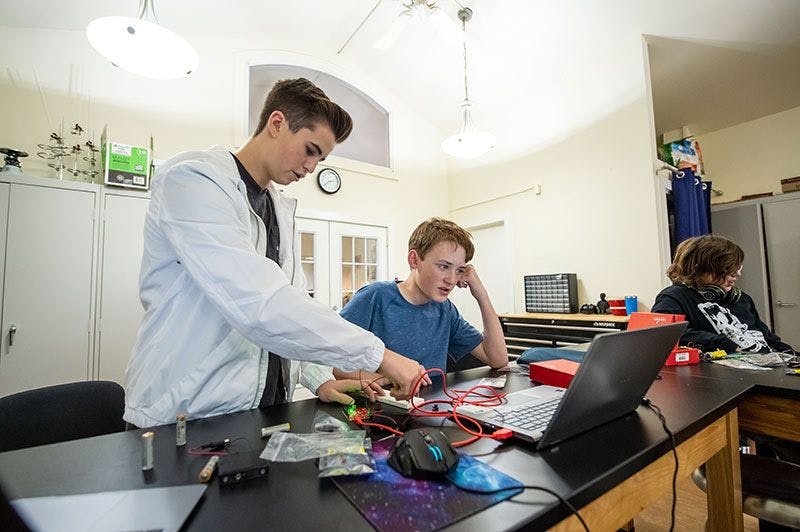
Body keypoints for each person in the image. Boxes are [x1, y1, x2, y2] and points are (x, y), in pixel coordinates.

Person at [124, 78, 424, 428]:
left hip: (260, 415)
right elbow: (259, 304)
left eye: (321, 158)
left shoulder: (279, 209)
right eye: (311, 150)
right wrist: (379, 355)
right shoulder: (194, 180)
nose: (313, 167)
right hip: (185, 415)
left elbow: (289, 309)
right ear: (277, 123)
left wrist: (318, 378)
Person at [334, 217, 508, 385]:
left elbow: (498, 359)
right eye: (444, 266)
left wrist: (481, 294)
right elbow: (332, 362)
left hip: (429, 408)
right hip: (382, 408)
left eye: (459, 270)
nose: (451, 279)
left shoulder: (445, 310)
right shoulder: (375, 297)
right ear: (414, 260)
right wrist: (391, 380)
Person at [652, 234, 795, 355]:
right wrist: (724, 343)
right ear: (700, 268)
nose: (737, 275)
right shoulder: (673, 297)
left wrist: (792, 355)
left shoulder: (742, 299)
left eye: (737, 269)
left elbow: (769, 339)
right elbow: (663, 335)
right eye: (727, 269)